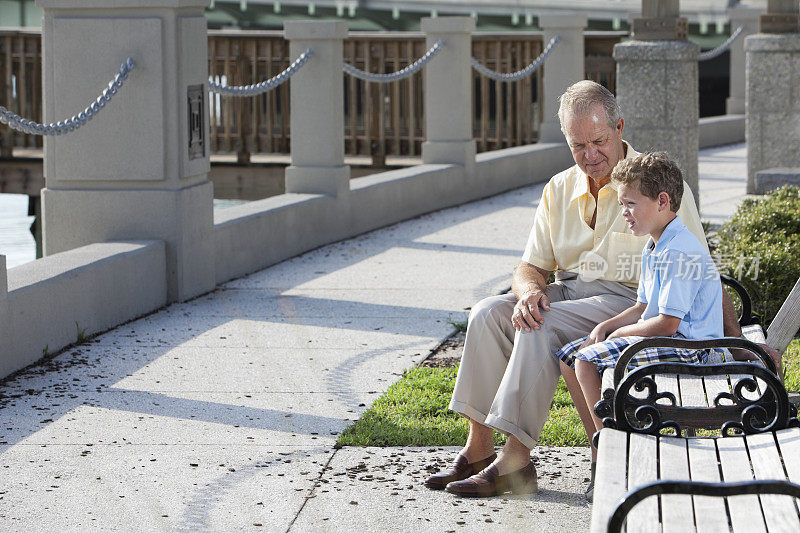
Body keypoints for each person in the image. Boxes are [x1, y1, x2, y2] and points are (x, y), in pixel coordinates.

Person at [423, 80, 779, 499]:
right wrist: (528, 293)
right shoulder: (558, 188)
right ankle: (479, 448)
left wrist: (734, 340)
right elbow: (530, 265)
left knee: (543, 326)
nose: (590, 155)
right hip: (569, 291)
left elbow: (699, 268)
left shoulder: (654, 186)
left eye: (599, 141)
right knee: (487, 312)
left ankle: (515, 461)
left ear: (620, 128)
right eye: (578, 145)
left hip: (627, 300)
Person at [556, 152, 723, 445]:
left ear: (662, 201)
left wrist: (619, 333)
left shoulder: (678, 252)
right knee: (570, 359)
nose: (624, 212)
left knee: (584, 361)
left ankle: (613, 447)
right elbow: (642, 307)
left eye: (631, 204)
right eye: (622, 204)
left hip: (692, 348)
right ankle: (605, 444)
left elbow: (668, 324)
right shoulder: (655, 245)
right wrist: (604, 328)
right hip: (669, 340)